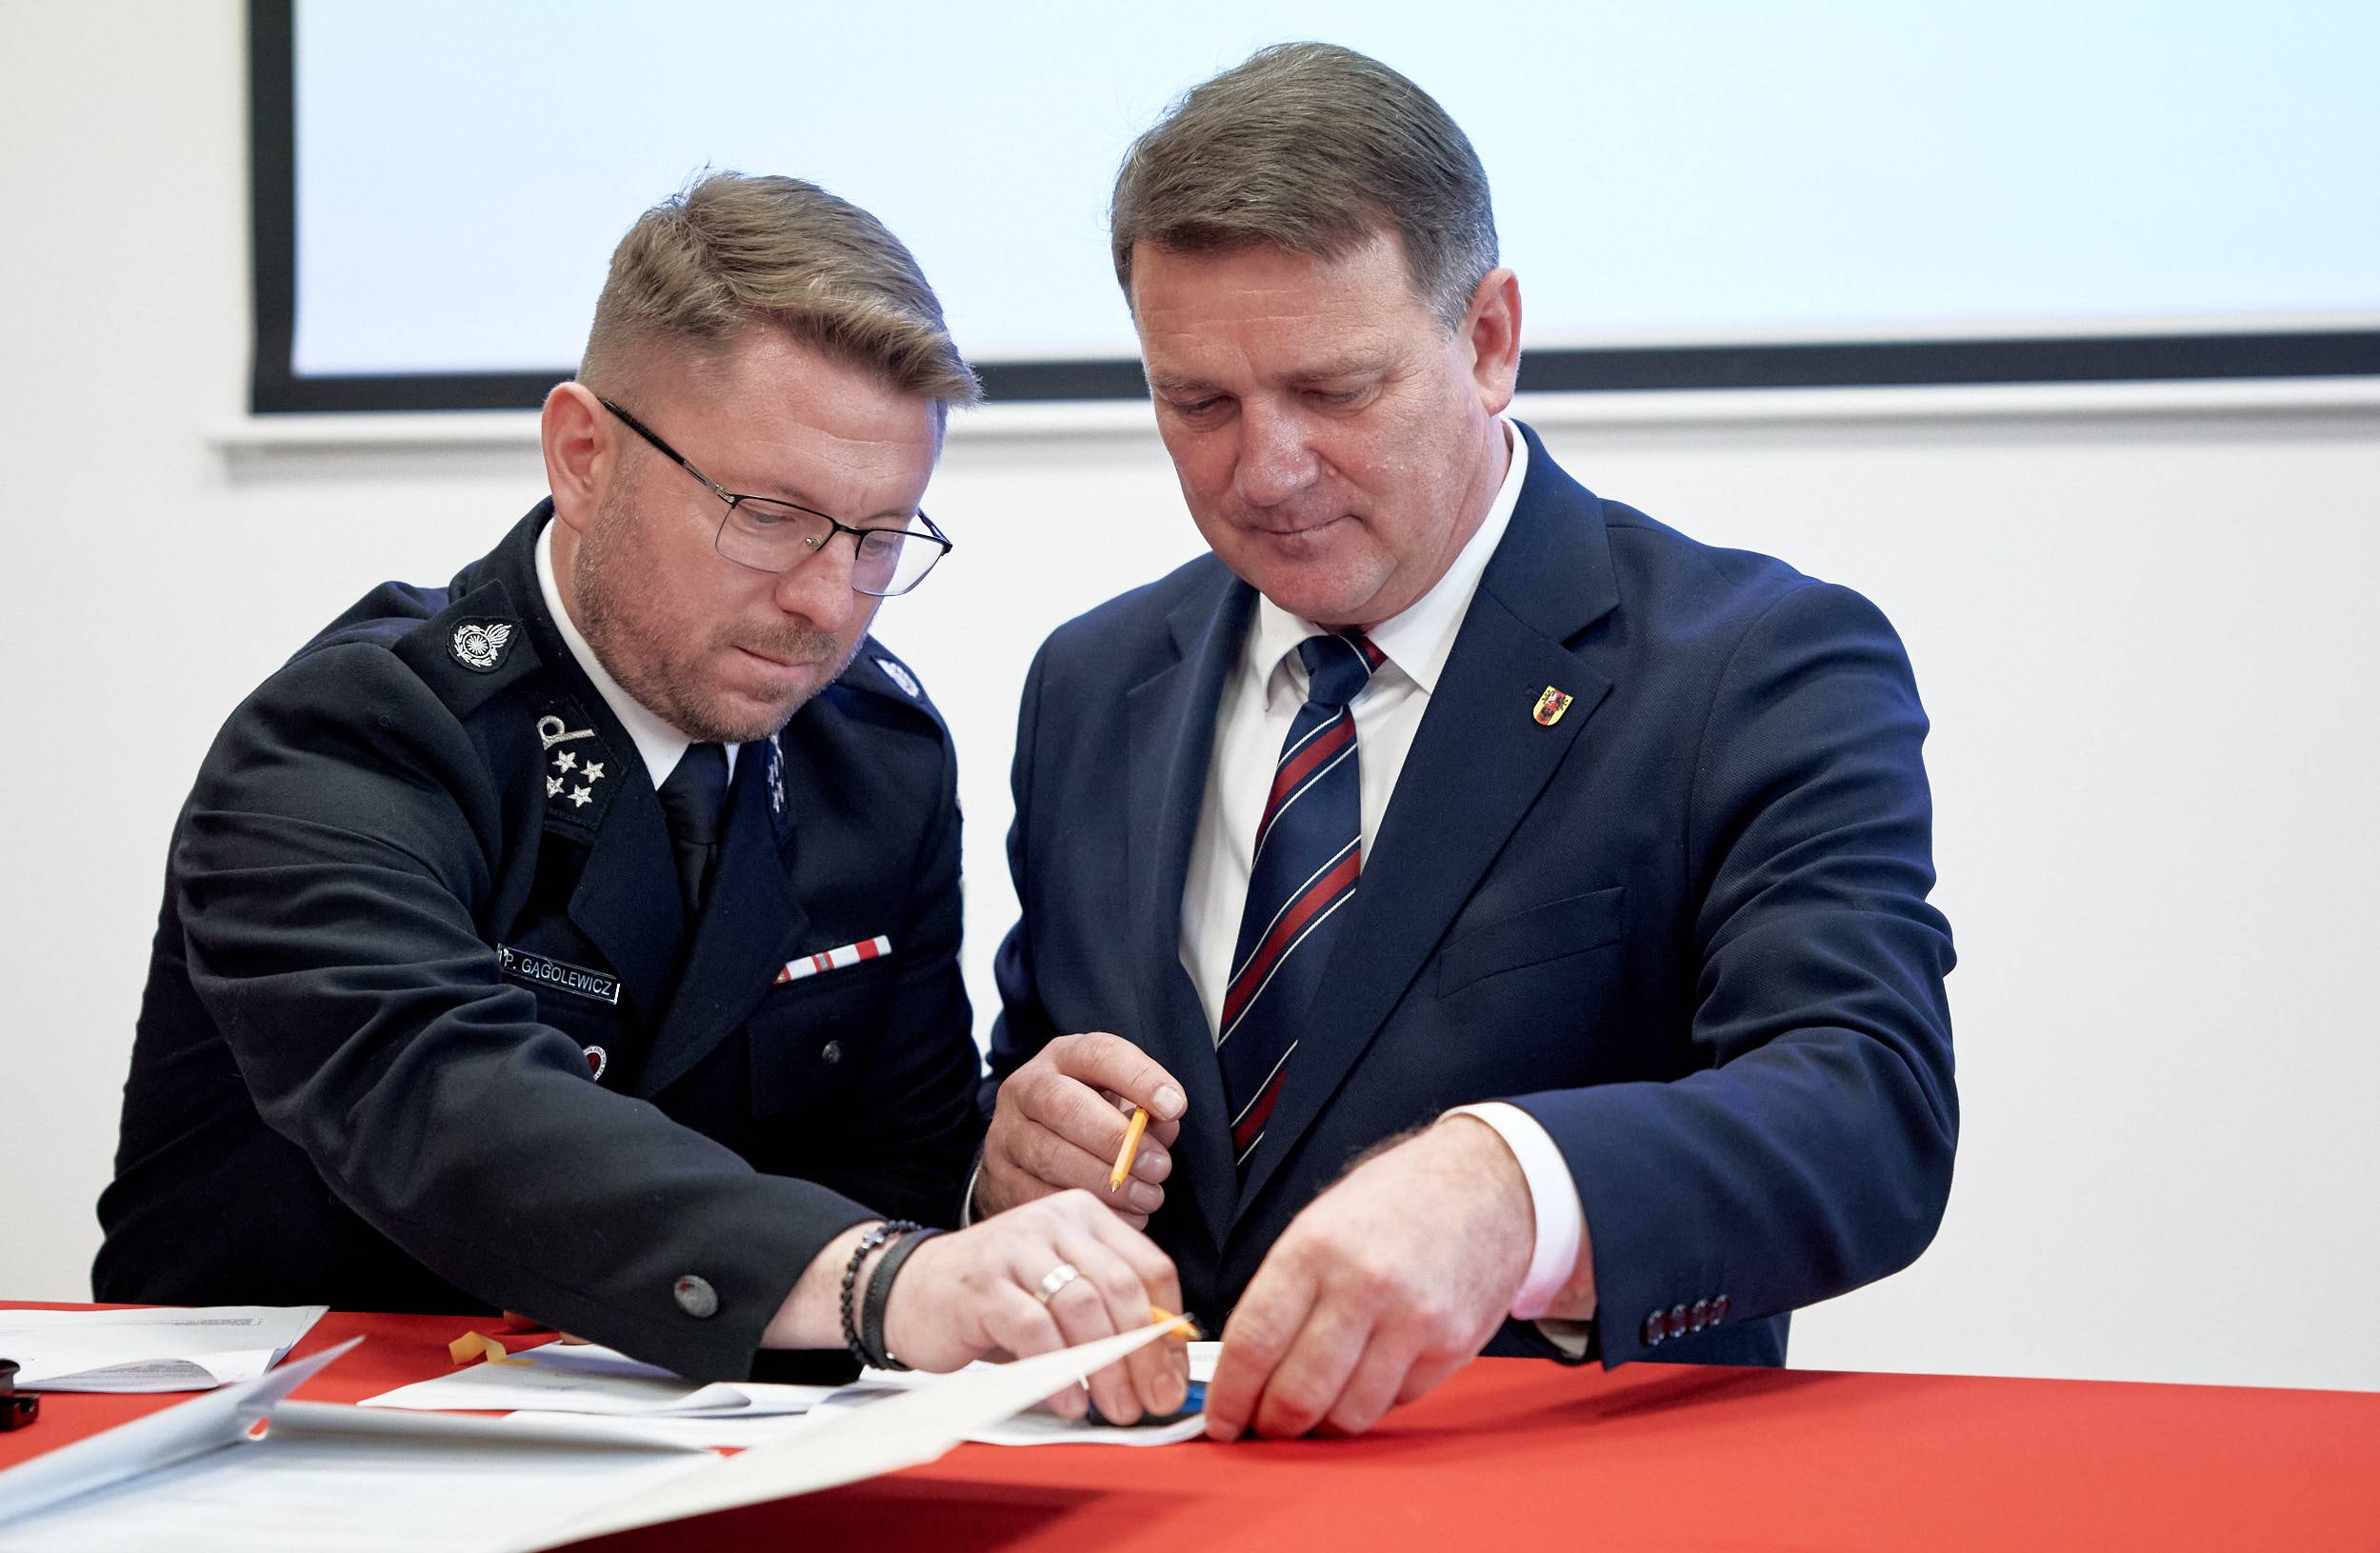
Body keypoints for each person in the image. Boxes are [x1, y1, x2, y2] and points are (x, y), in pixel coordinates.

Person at [978, 45, 1957, 1439]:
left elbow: (1869, 1109)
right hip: (1140, 1492)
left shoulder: (1752, 667)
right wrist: (1008, 1162)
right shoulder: (1091, 684)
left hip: (1551, 1503)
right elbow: (1029, 1092)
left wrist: (1512, 1185)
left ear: (1490, 340)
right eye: (1198, 404)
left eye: (1334, 391)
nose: (1267, 469)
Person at [96, 174, 1186, 1423]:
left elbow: (897, 1174)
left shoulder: (874, 760)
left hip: (714, 1442)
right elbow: (446, 1102)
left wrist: (997, 1187)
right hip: (292, 1441)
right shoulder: (357, 737)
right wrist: (879, 1280)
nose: (826, 602)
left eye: (880, 537)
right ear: (584, 457)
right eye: (769, 517)